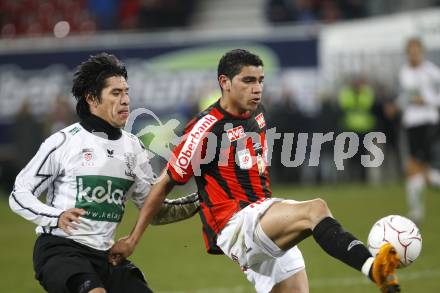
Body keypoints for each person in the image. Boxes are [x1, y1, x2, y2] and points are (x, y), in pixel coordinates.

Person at [110, 49, 401, 293]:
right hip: (236, 223)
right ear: (224, 82)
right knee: (315, 210)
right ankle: (372, 267)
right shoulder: (205, 128)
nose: (257, 87)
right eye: (248, 80)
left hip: (261, 220)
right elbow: (165, 182)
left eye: (260, 80)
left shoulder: (257, 112)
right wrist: (134, 238)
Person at [9, 53, 200, 293]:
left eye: (126, 92)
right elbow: (19, 194)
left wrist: (203, 197)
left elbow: (156, 211)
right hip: (61, 250)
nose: (125, 100)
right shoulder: (64, 142)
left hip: (106, 257)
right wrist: (55, 216)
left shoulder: (133, 148)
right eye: (116, 93)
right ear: (92, 98)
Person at [397, 37, 440, 225]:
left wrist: (427, 101)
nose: (413, 54)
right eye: (410, 51)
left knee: (416, 168)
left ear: (421, 52)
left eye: (416, 51)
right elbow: (406, 97)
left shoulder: (432, 72)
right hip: (411, 123)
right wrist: (397, 105)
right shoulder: (404, 72)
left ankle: (416, 212)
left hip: (427, 122)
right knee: (419, 171)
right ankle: (416, 212)